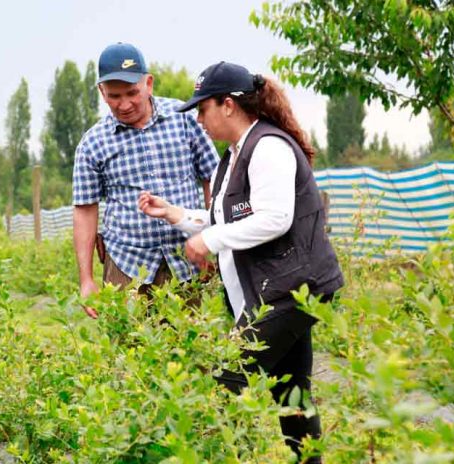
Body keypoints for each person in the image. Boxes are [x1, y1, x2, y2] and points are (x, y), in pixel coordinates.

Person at [138, 61, 344, 462]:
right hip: (275, 294)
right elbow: (227, 220)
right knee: (292, 393)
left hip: (289, 293)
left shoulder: (267, 147)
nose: (199, 119)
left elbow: (274, 217)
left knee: (225, 381)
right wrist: (175, 215)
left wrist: (209, 240)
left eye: (203, 108)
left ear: (228, 105)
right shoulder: (231, 157)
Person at [72, 43, 220, 318]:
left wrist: (214, 241)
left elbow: (214, 178)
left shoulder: (185, 120)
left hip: (188, 259)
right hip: (127, 265)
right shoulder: (92, 143)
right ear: (101, 92)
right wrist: (86, 279)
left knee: (195, 352)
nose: (125, 104)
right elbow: (84, 209)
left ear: (148, 83)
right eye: (114, 96)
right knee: (130, 351)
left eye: (132, 93)